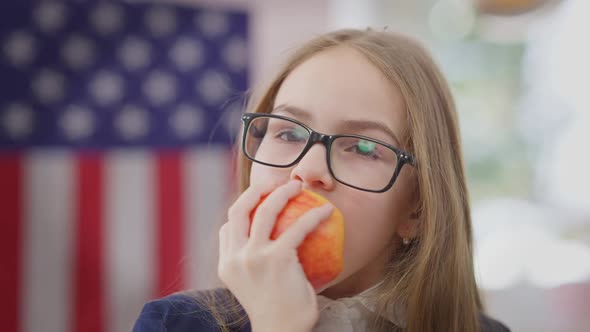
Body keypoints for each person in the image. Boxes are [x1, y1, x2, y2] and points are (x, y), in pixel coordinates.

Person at [132, 29, 511, 332]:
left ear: (417, 208)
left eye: (363, 148)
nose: (309, 169)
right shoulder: (174, 324)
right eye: (288, 133)